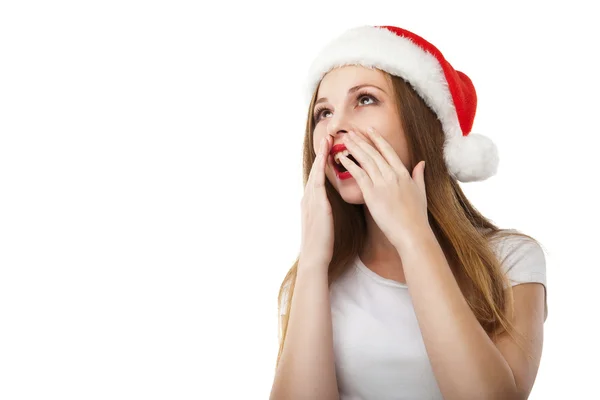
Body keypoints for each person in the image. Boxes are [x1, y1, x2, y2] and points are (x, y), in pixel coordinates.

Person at [269, 25, 548, 400]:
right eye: (323, 112)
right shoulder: (309, 279)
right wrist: (314, 262)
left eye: (365, 99)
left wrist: (412, 235)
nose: (334, 127)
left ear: (421, 124)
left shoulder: (510, 260)